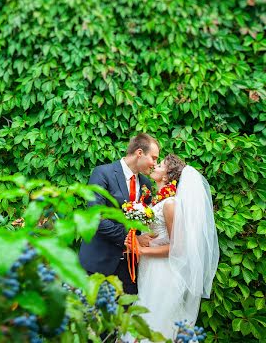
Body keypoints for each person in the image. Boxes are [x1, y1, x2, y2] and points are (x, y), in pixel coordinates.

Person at [130, 154, 219, 342]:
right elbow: (159, 235)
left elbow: (178, 248)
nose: (155, 165)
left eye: (160, 164)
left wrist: (143, 250)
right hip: (149, 268)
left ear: (167, 175)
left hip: (163, 272)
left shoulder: (170, 204)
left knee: (154, 323)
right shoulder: (158, 201)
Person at [79, 133, 160, 294]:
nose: (155, 164)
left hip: (129, 270)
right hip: (98, 264)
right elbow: (96, 218)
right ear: (139, 153)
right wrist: (131, 239)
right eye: (154, 158)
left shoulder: (146, 184)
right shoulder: (102, 173)